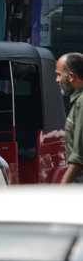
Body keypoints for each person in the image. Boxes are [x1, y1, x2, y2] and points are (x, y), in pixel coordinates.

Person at [56, 52, 83, 184]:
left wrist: (63, 188)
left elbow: (79, 157)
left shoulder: (81, 102)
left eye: (59, 75)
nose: (57, 80)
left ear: (71, 76)